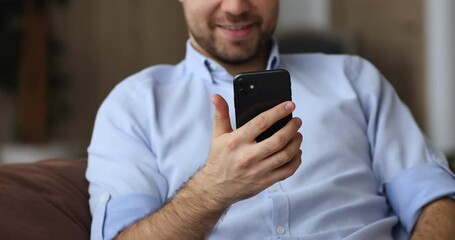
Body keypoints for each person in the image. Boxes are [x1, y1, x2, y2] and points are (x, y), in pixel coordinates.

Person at [86, 0, 455, 239]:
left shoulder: (355, 79)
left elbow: (437, 201)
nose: (235, 7)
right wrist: (214, 189)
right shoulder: (132, 106)